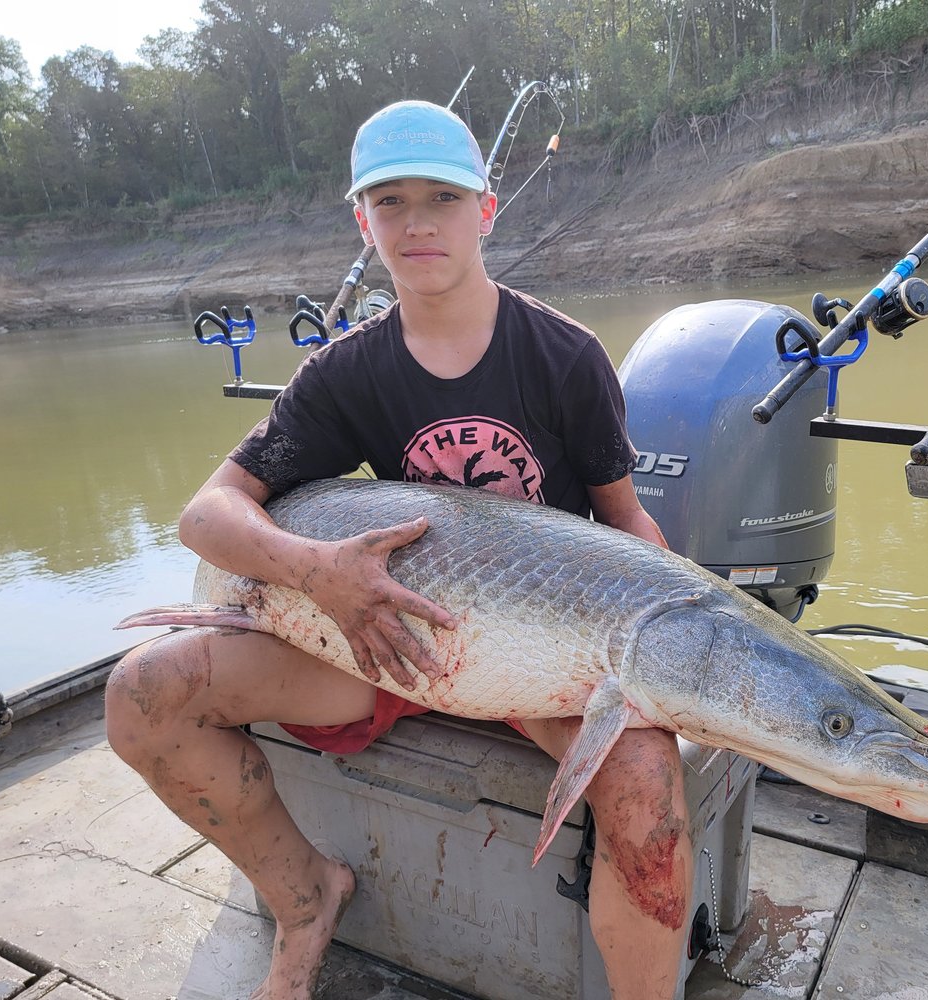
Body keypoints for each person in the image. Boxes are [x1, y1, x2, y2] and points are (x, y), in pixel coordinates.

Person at [104, 99, 692, 1000]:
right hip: (387, 645)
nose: (417, 222)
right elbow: (207, 515)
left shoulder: (565, 356)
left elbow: (627, 525)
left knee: (649, 796)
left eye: (442, 198)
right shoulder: (344, 371)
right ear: (362, 221)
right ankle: (305, 902)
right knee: (141, 696)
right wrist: (318, 575)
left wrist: (682, 644)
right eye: (390, 202)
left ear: (484, 211)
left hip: (547, 662)